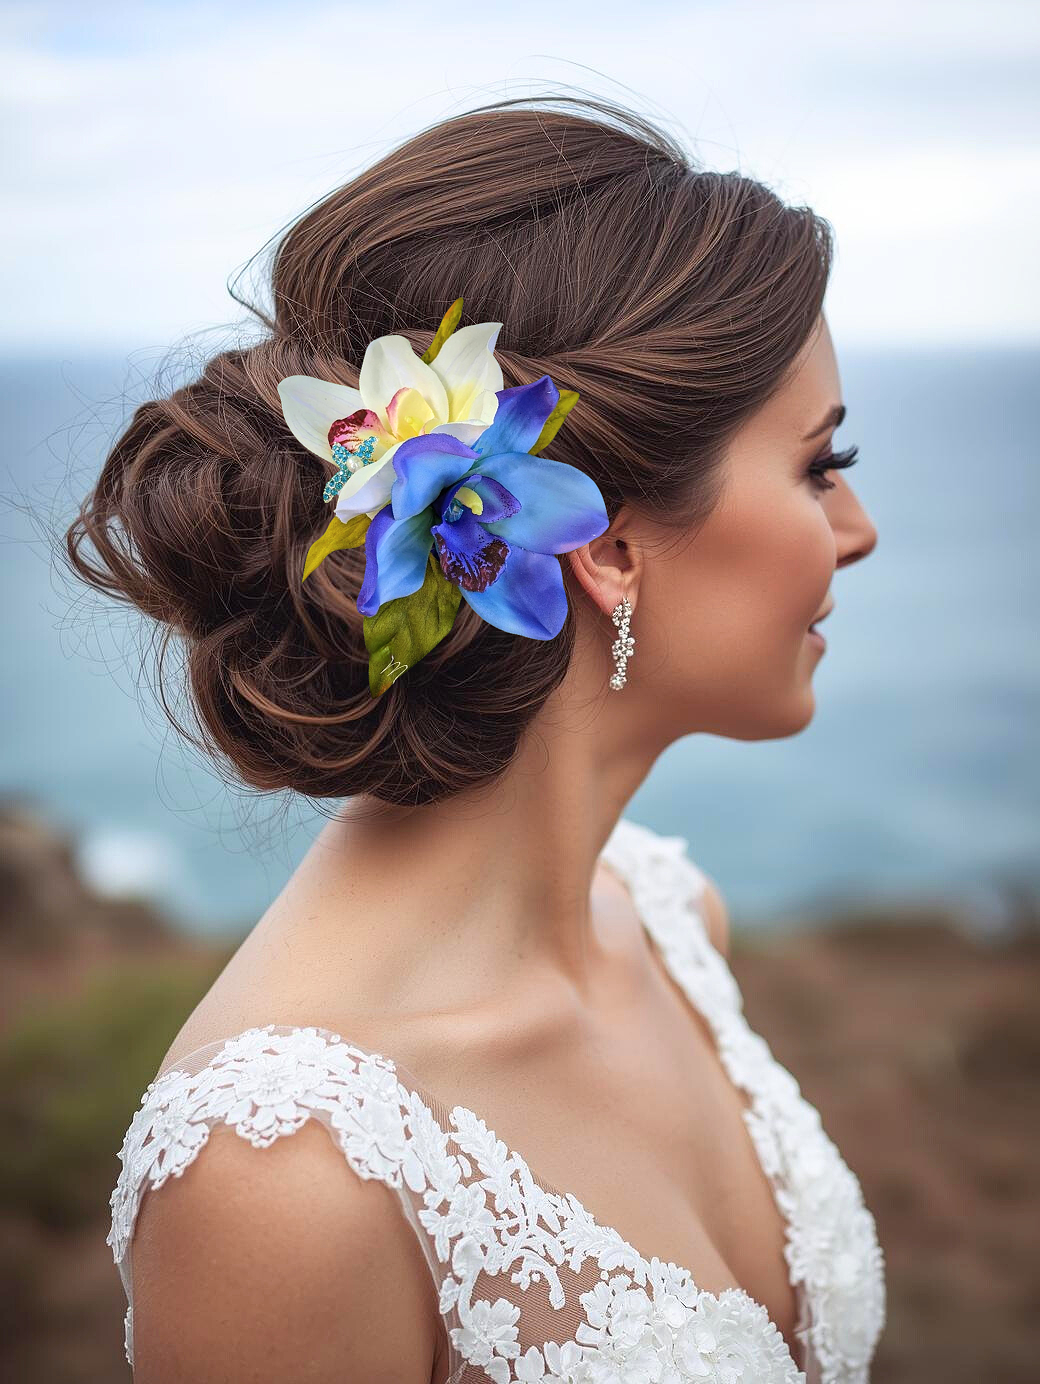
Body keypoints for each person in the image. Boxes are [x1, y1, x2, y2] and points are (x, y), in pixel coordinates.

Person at [66, 94, 883, 1383]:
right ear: (607, 546)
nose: (857, 529)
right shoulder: (284, 1171)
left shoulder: (672, 925)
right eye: (819, 466)